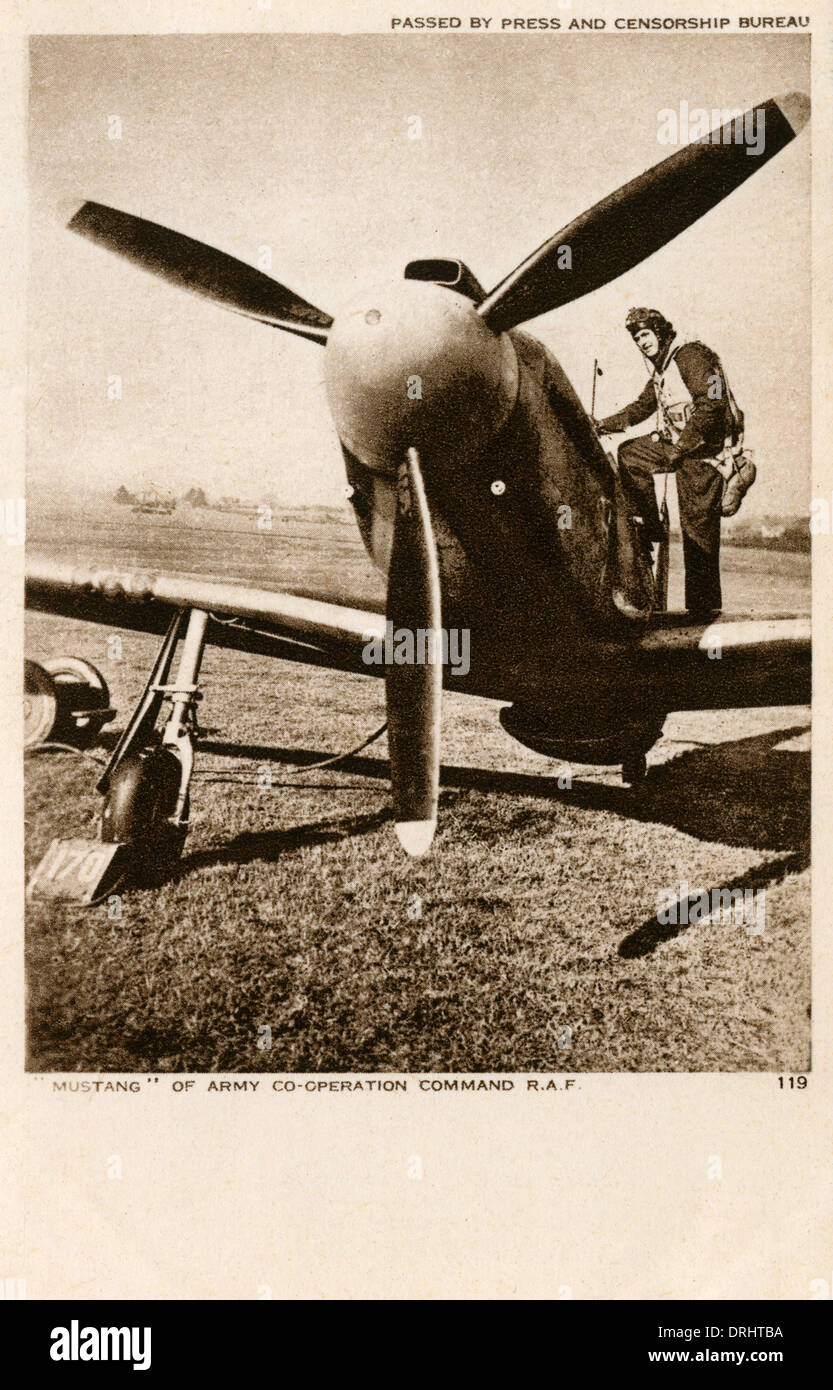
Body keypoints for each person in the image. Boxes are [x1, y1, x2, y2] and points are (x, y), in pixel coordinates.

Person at [595, 307, 753, 619]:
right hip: (682, 448)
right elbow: (641, 407)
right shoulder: (662, 370)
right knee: (631, 455)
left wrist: (679, 448)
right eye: (636, 338)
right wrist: (600, 424)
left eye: (644, 335)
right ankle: (651, 527)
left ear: (660, 332)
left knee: (697, 538)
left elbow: (713, 404)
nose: (641, 343)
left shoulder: (690, 355)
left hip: (707, 455)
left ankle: (703, 614)